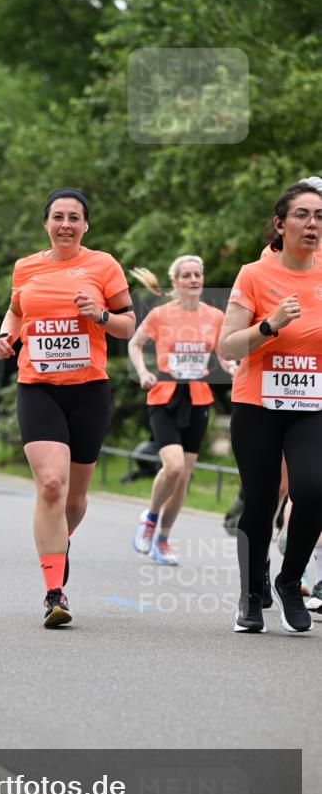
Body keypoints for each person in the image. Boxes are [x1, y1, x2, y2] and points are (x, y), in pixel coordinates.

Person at [0, 188, 135, 628]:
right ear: (46, 223)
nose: (66, 224)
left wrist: (101, 315)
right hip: (38, 387)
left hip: (89, 389)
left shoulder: (104, 265)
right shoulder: (26, 267)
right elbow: (16, 312)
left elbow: (128, 325)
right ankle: (54, 591)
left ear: (85, 225)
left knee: (74, 499)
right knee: (52, 484)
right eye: (58, 216)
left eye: (74, 217)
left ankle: (61, 540)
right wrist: (6, 337)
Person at [219, 181, 322, 635]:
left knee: (314, 489)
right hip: (257, 402)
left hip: (312, 403)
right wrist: (269, 325)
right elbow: (227, 346)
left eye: (319, 216)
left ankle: (289, 580)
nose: (312, 224)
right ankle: (250, 594)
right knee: (260, 501)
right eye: (302, 215)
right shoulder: (253, 275)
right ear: (280, 224)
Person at [128, 257, 236, 565]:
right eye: (186, 275)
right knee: (173, 466)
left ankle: (162, 540)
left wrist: (230, 367)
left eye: (198, 274)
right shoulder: (161, 315)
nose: (193, 279)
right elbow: (135, 344)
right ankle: (150, 518)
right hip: (164, 396)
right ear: (175, 282)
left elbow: (222, 353)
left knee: (183, 479)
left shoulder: (215, 316)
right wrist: (143, 372)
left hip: (198, 398)